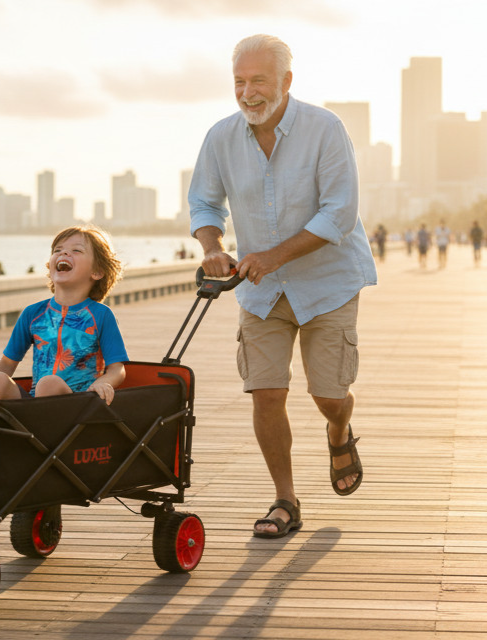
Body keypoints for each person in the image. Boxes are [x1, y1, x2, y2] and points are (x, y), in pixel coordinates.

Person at [189, 34, 377, 538]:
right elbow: (205, 205)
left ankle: (339, 430)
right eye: (240, 82)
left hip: (328, 284)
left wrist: (273, 256)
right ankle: (285, 500)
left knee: (328, 394)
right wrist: (211, 247)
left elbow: (340, 213)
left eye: (259, 82)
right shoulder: (220, 138)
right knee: (265, 392)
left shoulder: (325, 129)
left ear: (286, 82)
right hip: (260, 291)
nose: (248, 93)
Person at [0, 225, 127, 405]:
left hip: (78, 404)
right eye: (58, 250)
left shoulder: (101, 315)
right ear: (50, 265)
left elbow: (117, 369)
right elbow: (7, 363)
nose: (64, 254)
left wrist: (102, 383)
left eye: (76, 250)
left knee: (49, 383)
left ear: (96, 272)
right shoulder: (33, 313)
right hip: (36, 402)